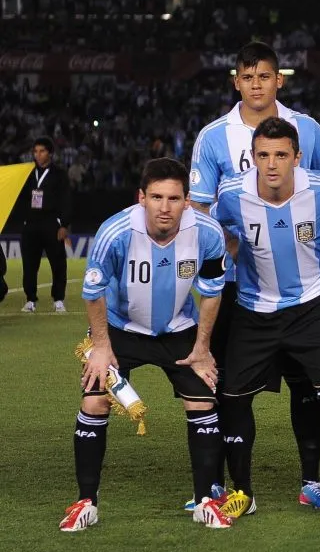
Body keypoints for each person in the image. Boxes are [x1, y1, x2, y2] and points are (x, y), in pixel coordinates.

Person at [188, 41, 320, 511]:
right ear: (235, 81)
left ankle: (313, 479)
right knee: (226, 388)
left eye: (265, 76)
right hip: (238, 289)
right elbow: (199, 210)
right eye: (247, 76)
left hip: (302, 288)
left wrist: (306, 234)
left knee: (306, 385)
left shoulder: (308, 129)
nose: (256, 85)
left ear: (280, 80)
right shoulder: (213, 136)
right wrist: (225, 241)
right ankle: (222, 486)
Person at [60, 158, 232, 531]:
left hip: (179, 328)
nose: (164, 207)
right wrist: (102, 346)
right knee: (94, 398)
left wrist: (202, 347)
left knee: (203, 398)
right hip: (121, 330)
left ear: (188, 200)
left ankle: (206, 500)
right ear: (141, 197)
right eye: (156, 197)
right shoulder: (115, 231)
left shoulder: (207, 232)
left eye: (173, 198)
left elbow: (214, 291)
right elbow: (93, 291)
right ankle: (85, 502)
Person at [209, 118, 320, 523]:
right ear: (252, 157)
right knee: (234, 397)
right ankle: (242, 491)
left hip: (313, 306)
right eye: (263, 155)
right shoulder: (232, 193)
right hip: (254, 311)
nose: (271, 164)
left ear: (297, 157)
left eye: (280, 155)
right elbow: (210, 230)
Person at [19, 137, 72, 314]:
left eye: (41, 151)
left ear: (50, 153)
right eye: (35, 151)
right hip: (31, 224)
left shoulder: (59, 174)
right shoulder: (27, 173)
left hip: (52, 224)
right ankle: (30, 299)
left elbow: (66, 200)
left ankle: (58, 299)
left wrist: (64, 225)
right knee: (29, 264)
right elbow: (21, 199)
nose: (37, 155)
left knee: (57, 264)